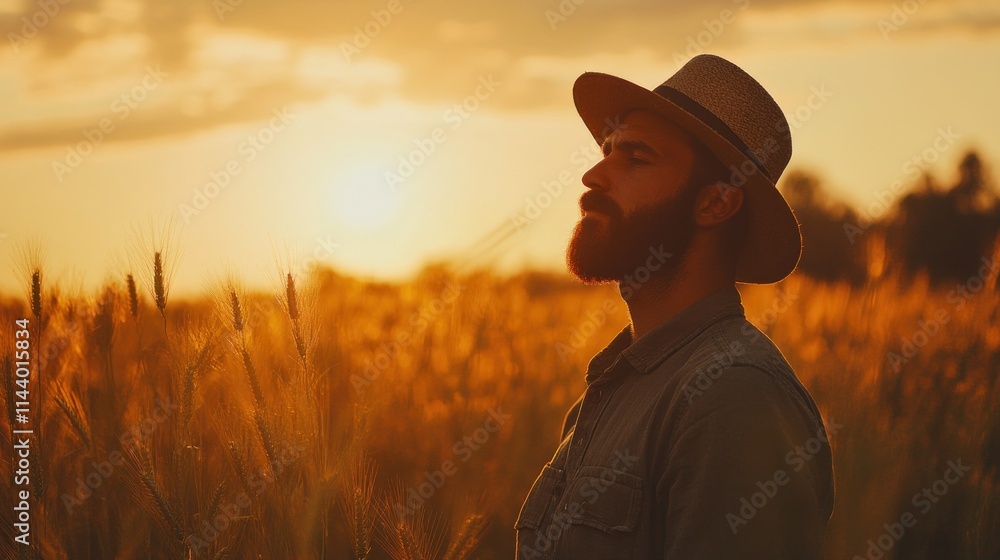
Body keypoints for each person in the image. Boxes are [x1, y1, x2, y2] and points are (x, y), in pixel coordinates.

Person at [514, 54, 835, 559]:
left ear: (715, 203)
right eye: (606, 150)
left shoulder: (735, 394)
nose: (593, 175)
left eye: (635, 158)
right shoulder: (611, 390)